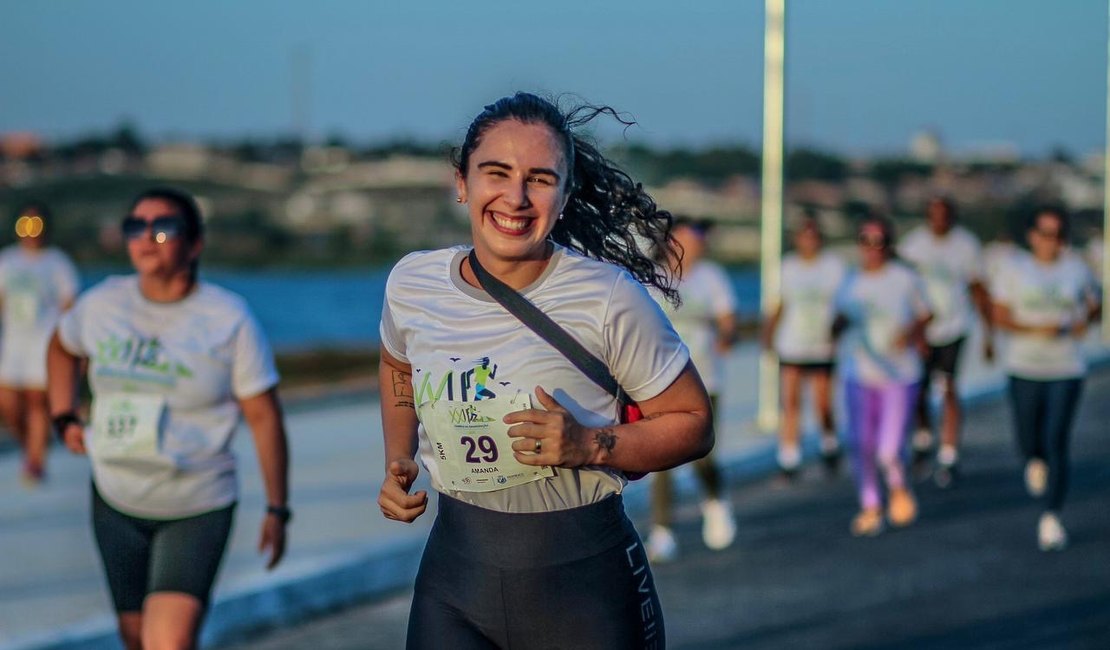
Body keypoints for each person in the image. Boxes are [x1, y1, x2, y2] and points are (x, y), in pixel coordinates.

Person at [377, 93, 713, 649]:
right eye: (496, 173)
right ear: (461, 182)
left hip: (584, 590)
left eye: (539, 178)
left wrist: (590, 444)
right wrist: (398, 457)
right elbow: (397, 361)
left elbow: (695, 422)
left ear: (565, 193)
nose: (515, 197)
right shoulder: (413, 283)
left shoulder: (607, 298)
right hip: (454, 586)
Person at [46, 188, 291, 650]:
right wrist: (63, 415)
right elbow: (61, 347)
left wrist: (277, 509)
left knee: (168, 642)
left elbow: (264, 417)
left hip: (195, 503)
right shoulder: (102, 304)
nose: (146, 239)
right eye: (135, 227)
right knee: (134, 638)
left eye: (163, 228)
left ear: (194, 244)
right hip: (116, 497)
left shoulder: (227, 317)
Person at [990, 207, 1099, 551]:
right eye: (1046, 233)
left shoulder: (1076, 269)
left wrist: (1086, 319)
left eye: (1058, 234)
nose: (1052, 242)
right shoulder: (1014, 269)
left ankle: (1051, 515)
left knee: (1057, 439)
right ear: (1032, 235)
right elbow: (1000, 316)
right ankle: (1033, 460)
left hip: (1065, 368)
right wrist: (1038, 329)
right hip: (1024, 365)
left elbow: (1095, 302)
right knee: (1028, 439)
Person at [645, 216, 737, 563]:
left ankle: (715, 500)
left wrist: (727, 336)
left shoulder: (712, 277)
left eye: (696, 241)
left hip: (705, 379)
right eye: (684, 240)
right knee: (661, 460)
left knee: (704, 455)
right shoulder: (651, 277)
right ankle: (662, 532)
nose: (692, 247)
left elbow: (729, 320)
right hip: (659, 383)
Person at [833, 216, 932, 537]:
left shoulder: (904, 278)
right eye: (866, 240)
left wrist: (911, 334)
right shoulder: (850, 282)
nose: (872, 248)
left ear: (889, 245)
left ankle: (899, 484)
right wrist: (835, 327)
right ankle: (871, 505)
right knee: (861, 443)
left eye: (879, 241)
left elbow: (926, 313)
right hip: (859, 373)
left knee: (888, 448)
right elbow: (838, 318)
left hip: (900, 374)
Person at [898, 197, 992, 487]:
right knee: (918, 390)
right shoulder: (912, 245)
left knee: (949, 387)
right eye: (933, 214)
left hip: (954, 326)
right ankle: (924, 438)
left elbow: (978, 289)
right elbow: (899, 288)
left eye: (944, 214)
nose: (939, 219)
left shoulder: (966, 245)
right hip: (923, 329)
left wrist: (989, 334)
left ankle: (949, 453)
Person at [0, 202, 79, 485]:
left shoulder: (57, 262)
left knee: (36, 403)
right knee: (8, 402)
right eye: (26, 224)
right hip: (13, 343)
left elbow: (69, 304)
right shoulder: (7, 261)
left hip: (43, 342)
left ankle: (35, 462)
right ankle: (31, 446)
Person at [763, 215, 845, 480]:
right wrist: (769, 333)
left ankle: (829, 444)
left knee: (822, 403)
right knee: (791, 402)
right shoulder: (788, 267)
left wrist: (838, 330)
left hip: (821, 343)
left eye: (812, 235)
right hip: (793, 342)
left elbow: (843, 304)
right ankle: (789, 458)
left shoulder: (833, 266)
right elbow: (781, 302)